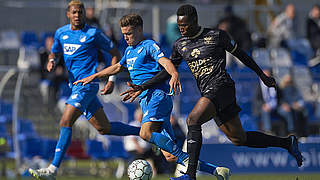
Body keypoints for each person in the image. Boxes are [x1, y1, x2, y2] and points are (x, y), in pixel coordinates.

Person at [120, 5, 304, 180]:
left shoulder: (216, 35)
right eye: (179, 26)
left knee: (193, 120)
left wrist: (261, 75)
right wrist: (144, 86)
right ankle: (287, 143)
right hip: (209, 93)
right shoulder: (180, 44)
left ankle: (189, 175)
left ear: (195, 21)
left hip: (222, 87)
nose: (182, 29)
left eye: (185, 25)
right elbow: (167, 71)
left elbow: (242, 55)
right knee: (239, 138)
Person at [74, 13, 231, 180]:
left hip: (157, 97)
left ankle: (186, 159)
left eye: (129, 33)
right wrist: (94, 76)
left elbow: (165, 61)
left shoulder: (149, 45)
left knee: (144, 132)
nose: (126, 37)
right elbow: (117, 68)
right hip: (147, 101)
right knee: (169, 156)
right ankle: (217, 171)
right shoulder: (128, 51)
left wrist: (174, 74)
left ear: (140, 30)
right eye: (124, 34)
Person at [28, 1, 141, 180]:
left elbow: (115, 54)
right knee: (104, 128)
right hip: (74, 87)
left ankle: (52, 169)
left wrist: (111, 80)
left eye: (80, 12)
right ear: (68, 14)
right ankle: (145, 132)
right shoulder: (61, 33)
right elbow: (55, 52)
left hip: (87, 86)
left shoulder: (93, 33)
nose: (78, 15)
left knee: (65, 122)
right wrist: (51, 60)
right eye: (74, 12)